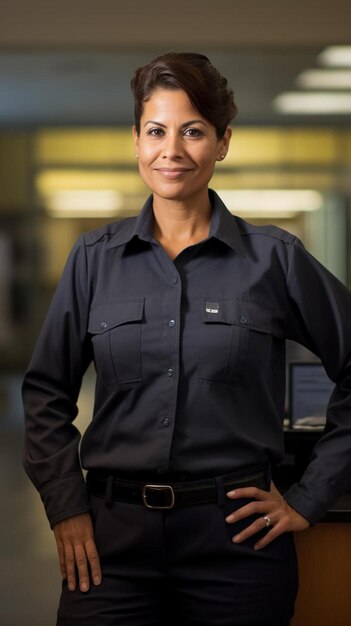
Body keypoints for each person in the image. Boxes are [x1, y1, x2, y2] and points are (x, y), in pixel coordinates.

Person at [22, 52, 351, 626]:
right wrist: (66, 507)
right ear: (136, 139)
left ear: (223, 142)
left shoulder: (275, 261)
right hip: (110, 544)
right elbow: (46, 391)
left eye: (193, 131)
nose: (171, 150)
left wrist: (308, 497)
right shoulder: (93, 260)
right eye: (156, 130)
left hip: (238, 545)